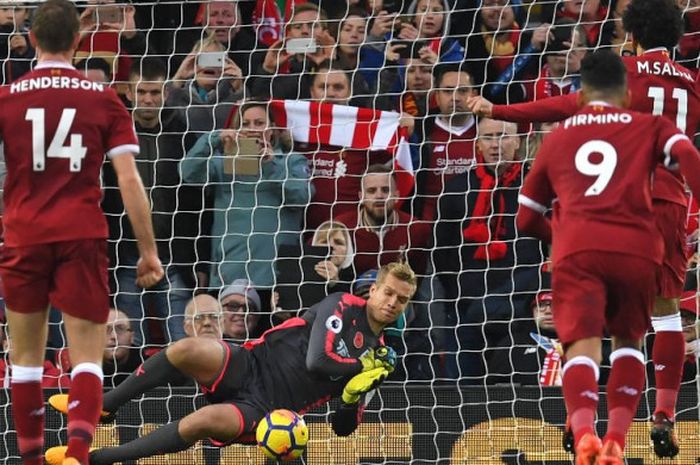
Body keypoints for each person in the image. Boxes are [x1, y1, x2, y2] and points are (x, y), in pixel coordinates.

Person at [467, 0, 700, 456]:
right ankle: (665, 413)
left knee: (591, 327)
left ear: (629, 36)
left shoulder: (620, 72)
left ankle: (584, 423)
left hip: (616, 203)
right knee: (667, 311)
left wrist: (498, 110)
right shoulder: (694, 85)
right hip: (672, 201)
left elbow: (562, 106)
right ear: (675, 38)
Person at [516, 50, 700, 465]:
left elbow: (526, 216)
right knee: (629, 344)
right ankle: (616, 439)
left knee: (581, 346)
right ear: (626, 92)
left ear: (581, 93)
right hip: (635, 248)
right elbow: (687, 155)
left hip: (577, 249)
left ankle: (584, 432)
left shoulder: (559, 135)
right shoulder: (650, 124)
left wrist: (560, 237)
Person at [45, 262, 417, 465]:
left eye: (401, 300)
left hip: (268, 410)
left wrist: (353, 398)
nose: (391, 302)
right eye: (388, 292)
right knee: (189, 348)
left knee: (200, 422)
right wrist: (358, 370)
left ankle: (95, 460)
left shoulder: (379, 359)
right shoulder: (341, 305)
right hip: (251, 362)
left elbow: (343, 430)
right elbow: (317, 360)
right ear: (373, 290)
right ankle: (104, 406)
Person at [0, 2, 163, 465]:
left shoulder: (7, 97)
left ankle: (30, 459)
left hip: (24, 236)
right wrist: (148, 252)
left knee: (27, 359)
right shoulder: (103, 98)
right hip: (82, 236)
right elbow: (129, 179)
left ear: (31, 38)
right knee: (88, 356)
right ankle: (76, 453)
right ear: (78, 40)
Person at [104, 57, 199, 346]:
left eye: (154, 92)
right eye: (142, 92)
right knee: (128, 343)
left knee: (183, 342)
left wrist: (197, 256)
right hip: (125, 254)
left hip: (174, 254)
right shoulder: (111, 137)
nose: (148, 99)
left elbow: (195, 201)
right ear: (129, 93)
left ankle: (187, 392)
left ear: (166, 93)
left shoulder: (183, 136)